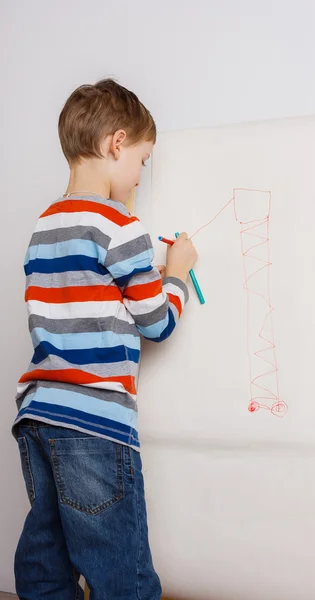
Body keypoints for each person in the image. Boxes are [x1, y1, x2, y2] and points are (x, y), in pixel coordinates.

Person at [13, 78, 197, 600]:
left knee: (46, 559)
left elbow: (75, 304)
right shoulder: (122, 226)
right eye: (141, 160)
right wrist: (176, 274)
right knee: (122, 572)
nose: (139, 175)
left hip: (39, 416)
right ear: (117, 143)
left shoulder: (43, 227)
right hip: (94, 422)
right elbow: (157, 323)